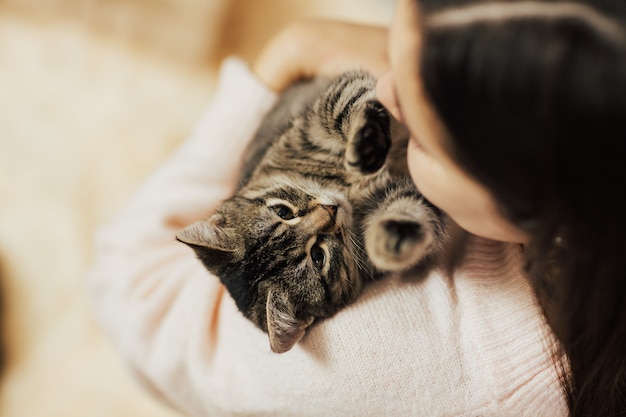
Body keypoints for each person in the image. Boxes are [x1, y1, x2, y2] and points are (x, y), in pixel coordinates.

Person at [87, 0, 625, 416]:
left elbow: (125, 281)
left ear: (528, 202)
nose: (385, 87)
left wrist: (295, 50)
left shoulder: (385, 362)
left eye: (425, 130)